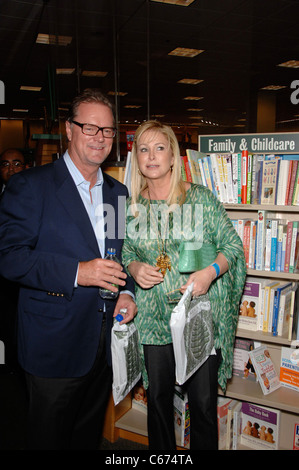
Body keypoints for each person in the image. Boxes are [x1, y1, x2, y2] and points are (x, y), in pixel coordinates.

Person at [0, 88, 137, 450]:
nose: (99, 138)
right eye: (89, 127)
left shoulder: (118, 194)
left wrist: (126, 292)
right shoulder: (30, 186)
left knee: (86, 438)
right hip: (53, 347)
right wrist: (78, 272)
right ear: (69, 130)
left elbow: (120, 255)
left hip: (103, 344)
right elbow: (10, 257)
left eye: (107, 130)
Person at [121, 120, 246, 450]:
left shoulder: (200, 198)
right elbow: (126, 254)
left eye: (159, 148)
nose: (151, 156)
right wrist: (134, 267)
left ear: (174, 156)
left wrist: (209, 273)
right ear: (137, 158)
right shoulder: (132, 206)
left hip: (196, 320)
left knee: (202, 406)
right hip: (153, 320)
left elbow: (232, 248)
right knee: (158, 405)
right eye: (143, 149)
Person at [0, 149, 26, 373]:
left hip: (22, 280)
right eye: (6, 164)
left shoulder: (33, 197)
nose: (11, 169)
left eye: (16, 164)